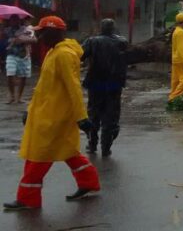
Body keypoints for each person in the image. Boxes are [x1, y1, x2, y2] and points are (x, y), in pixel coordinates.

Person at [3, 16, 100, 211]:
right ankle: (89, 183)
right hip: (46, 113)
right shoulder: (53, 52)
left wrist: (81, 117)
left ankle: (28, 198)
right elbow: (43, 88)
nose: (38, 35)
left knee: (38, 156)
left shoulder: (64, 55)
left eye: (42, 32)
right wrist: (30, 110)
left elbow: (73, 87)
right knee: (69, 152)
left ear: (55, 32)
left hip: (54, 117)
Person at [81, 19, 128, 157]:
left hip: (96, 83)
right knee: (111, 115)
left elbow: (80, 55)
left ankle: (92, 144)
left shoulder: (92, 41)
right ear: (113, 28)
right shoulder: (122, 42)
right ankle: (106, 147)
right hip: (114, 83)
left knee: (94, 114)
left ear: (101, 28)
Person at [5, 15, 37, 104]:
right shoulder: (7, 30)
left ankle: (19, 97)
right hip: (11, 54)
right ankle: (11, 96)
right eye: (12, 20)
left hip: (23, 55)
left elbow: (34, 40)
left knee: (23, 76)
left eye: (16, 20)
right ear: (10, 21)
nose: (14, 22)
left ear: (19, 20)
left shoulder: (25, 29)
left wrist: (23, 40)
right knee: (10, 74)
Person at [169, 13, 183, 101]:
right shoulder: (180, 32)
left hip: (176, 59)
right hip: (181, 60)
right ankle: (173, 97)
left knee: (176, 80)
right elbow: (180, 48)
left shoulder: (177, 31)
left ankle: (174, 97)